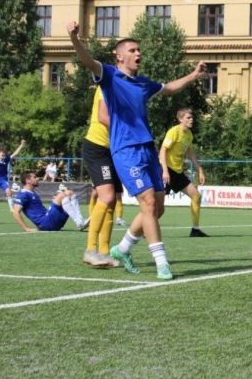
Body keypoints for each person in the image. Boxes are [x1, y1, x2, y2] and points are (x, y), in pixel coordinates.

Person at [68, 20, 208, 280]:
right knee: (147, 203)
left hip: (147, 149)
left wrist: (192, 75)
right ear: (119, 56)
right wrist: (74, 38)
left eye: (139, 50)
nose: (138, 53)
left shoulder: (143, 84)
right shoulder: (109, 76)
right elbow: (87, 61)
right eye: (132, 50)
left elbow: (168, 89)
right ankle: (161, 263)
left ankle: (122, 248)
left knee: (157, 209)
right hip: (126, 150)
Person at [80, 86, 126, 268]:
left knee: (113, 200)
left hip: (111, 151)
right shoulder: (107, 86)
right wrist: (128, 128)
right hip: (97, 148)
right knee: (106, 197)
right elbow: (103, 117)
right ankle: (90, 250)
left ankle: (104, 253)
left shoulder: (124, 90)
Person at [159, 107, 208, 237]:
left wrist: (200, 170)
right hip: (166, 170)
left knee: (196, 196)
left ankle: (195, 229)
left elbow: (190, 152)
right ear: (180, 119)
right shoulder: (174, 132)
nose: (191, 120)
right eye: (188, 117)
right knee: (157, 206)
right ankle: (144, 228)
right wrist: (164, 171)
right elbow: (162, 151)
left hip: (178, 172)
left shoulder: (189, 135)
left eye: (192, 117)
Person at [11, 171, 88, 232]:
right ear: (28, 181)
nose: (37, 178)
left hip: (50, 222)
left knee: (69, 193)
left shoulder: (32, 193)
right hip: (45, 223)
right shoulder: (23, 194)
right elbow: (15, 212)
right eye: (34, 177)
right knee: (61, 195)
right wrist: (26, 228)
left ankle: (80, 220)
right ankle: (80, 223)